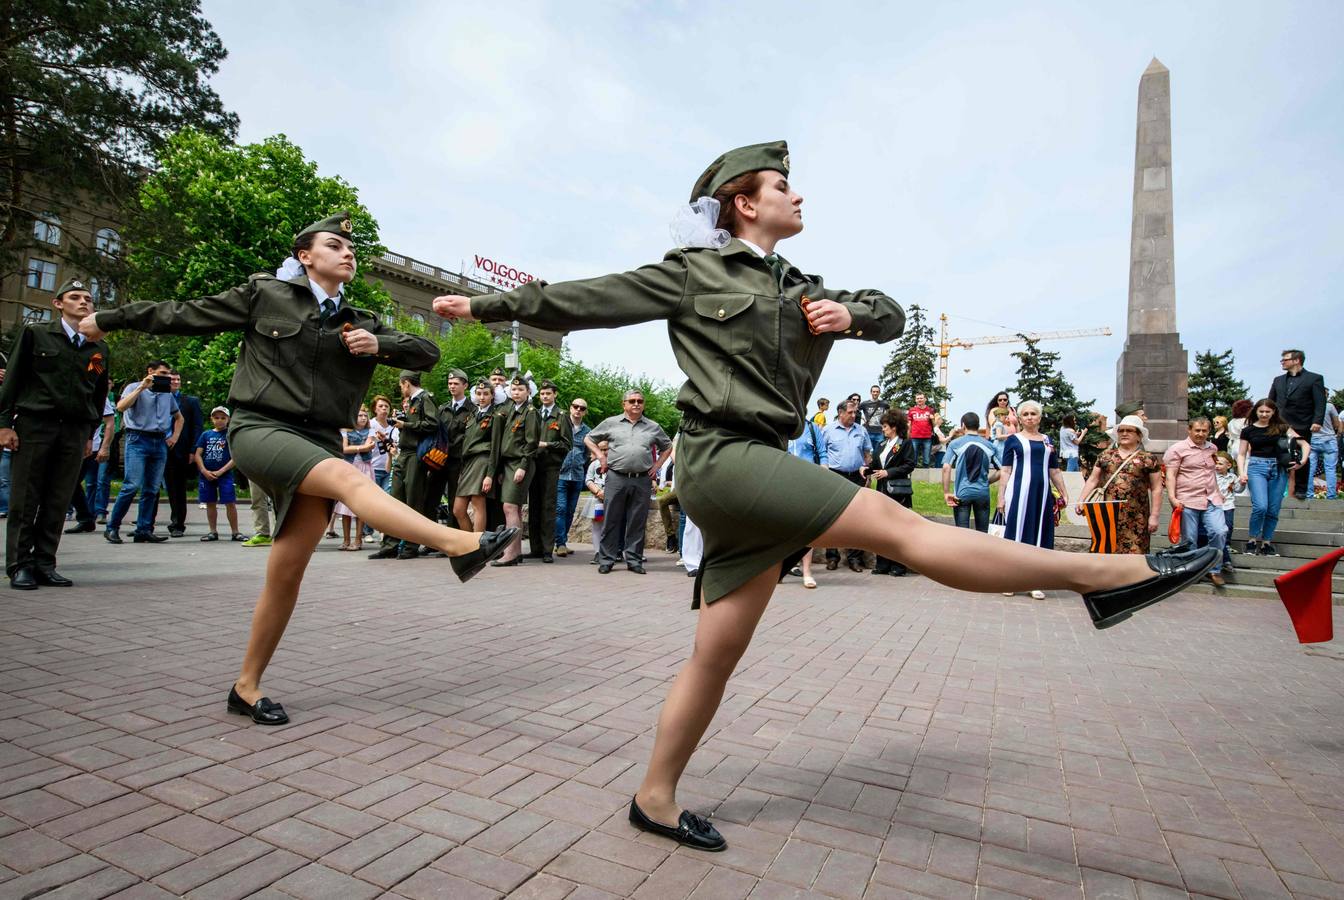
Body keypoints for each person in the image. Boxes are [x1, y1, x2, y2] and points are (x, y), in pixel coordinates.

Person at [431, 140, 1217, 851]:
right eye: (783, 187)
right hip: (721, 453)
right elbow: (585, 298)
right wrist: (485, 306)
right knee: (891, 522)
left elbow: (888, 310)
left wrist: (851, 314)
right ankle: (1121, 577)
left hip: (763, 459)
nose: (798, 198)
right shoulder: (692, 271)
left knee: (717, 653)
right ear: (744, 202)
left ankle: (654, 797)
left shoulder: (799, 283)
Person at [80, 211, 514, 725]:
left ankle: (246, 686)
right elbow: (183, 313)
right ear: (305, 255)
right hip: (260, 428)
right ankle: (457, 544)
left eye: (351, 248)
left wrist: (382, 346)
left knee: (286, 573)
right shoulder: (266, 294)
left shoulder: (360, 319)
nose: (347, 252)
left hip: (320, 437)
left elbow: (428, 350)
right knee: (347, 478)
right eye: (334, 245)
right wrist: (110, 319)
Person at [0, 278, 110, 589]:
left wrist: (90, 433)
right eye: (74, 297)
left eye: (87, 298)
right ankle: (19, 565)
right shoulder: (37, 334)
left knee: (58, 500)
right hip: (36, 425)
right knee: (26, 498)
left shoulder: (98, 346)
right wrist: (4, 424)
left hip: (74, 431)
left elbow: (98, 394)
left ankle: (45, 562)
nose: (83, 302)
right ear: (58, 304)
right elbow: (13, 380)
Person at [585, 389, 673, 575]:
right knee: (611, 519)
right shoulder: (611, 423)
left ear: (644, 404)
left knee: (637, 521)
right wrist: (601, 456)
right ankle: (606, 560)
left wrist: (657, 466)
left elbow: (667, 446)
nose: (636, 404)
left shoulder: (653, 426)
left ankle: (634, 560)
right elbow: (589, 438)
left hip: (642, 479)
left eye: (640, 401)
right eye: (632, 401)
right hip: (616, 477)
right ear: (623, 404)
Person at [104, 361, 184, 544]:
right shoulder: (133, 387)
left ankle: (144, 529)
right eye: (163, 373)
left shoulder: (167, 394)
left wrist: (175, 437)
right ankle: (112, 527)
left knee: (152, 489)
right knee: (131, 485)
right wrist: (142, 387)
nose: (167, 377)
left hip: (159, 441)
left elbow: (179, 417)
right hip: (138, 439)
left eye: (168, 374)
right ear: (150, 371)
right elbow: (121, 407)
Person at [368, 370, 442, 560]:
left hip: (416, 455)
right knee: (396, 499)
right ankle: (390, 544)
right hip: (403, 453)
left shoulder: (425, 398)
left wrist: (406, 425)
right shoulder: (413, 401)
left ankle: (411, 546)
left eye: (401, 386)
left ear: (407, 383)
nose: (401, 389)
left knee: (413, 500)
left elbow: (433, 424)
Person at [998, 400, 1068, 599]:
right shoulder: (1013, 440)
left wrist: (1063, 491)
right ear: (1020, 418)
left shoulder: (1048, 441)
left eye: (1033, 413)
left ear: (1039, 417)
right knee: (1017, 532)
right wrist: (1000, 498)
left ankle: (1035, 581)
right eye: (1025, 414)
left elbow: (1054, 470)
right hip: (1019, 492)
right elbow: (1005, 470)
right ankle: (1010, 579)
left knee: (1039, 533)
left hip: (1042, 493)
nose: (1029, 417)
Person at [1075, 416, 1163, 555]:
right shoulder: (1105, 456)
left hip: (1137, 517)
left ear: (1139, 436)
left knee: (1135, 553)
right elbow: (1093, 479)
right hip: (1108, 514)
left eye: (1129, 430)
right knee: (1105, 549)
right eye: (1121, 430)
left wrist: (1155, 515)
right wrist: (1081, 500)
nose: (1124, 433)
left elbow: (1157, 488)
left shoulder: (1148, 458)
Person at [1236, 398, 1310, 556]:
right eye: (1261, 411)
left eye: (1267, 412)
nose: (1264, 414)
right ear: (1256, 411)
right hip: (1257, 467)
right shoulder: (1248, 430)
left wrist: (1302, 462)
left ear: (1274, 412)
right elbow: (1241, 454)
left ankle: (1266, 543)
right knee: (1260, 506)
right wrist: (1242, 472)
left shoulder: (1282, 427)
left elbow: (1304, 444)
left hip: (1278, 468)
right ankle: (1252, 540)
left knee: (1273, 509)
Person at [1164, 417, 1228, 585]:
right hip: (1187, 499)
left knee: (1219, 531)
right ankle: (1191, 571)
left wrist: (1221, 490)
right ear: (1189, 430)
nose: (1200, 434)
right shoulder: (1177, 449)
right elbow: (1171, 475)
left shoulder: (1212, 448)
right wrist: (1172, 497)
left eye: (1204, 431)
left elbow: (1213, 471)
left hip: (1211, 498)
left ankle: (1214, 570)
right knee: (1189, 539)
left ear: (1208, 431)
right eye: (1197, 430)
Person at [487, 377, 540, 566]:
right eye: (514, 389)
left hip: (520, 463)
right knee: (514, 508)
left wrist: (523, 467)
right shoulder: (510, 410)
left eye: (520, 389)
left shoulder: (530, 412)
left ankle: (510, 552)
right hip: (508, 464)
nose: (516, 392)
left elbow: (531, 442)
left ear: (528, 392)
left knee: (509, 507)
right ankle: (515, 552)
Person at [1268, 349, 1326, 500]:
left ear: (1296, 360)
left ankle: (1301, 489)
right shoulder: (1278, 380)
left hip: (1303, 423)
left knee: (1301, 456)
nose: (1282, 362)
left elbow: (1320, 403)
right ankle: (1275, 487)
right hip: (1280, 423)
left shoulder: (1314, 379)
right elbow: (1270, 402)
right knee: (1277, 454)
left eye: (1285, 359)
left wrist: (1317, 421)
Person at [526, 379, 571, 562]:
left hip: (551, 466)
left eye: (548, 394)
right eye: (542, 394)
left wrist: (547, 444)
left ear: (555, 394)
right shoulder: (534, 414)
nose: (544, 396)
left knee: (548, 507)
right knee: (534, 507)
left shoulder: (561, 415)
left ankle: (546, 550)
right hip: (534, 465)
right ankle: (535, 548)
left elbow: (567, 444)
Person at [822, 400, 870, 572]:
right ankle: (832, 557)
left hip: (857, 477)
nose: (854, 415)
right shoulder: (828, 430)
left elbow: (867, 453)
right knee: (832, 517)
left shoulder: (861, 430)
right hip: (835, 475)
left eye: (855, 412)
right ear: (840, 412)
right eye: (850, 412)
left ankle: (855, 559)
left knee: (857, 518)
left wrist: (867, 469)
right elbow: (821, 453)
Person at [867, 409, 914, 575]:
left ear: (894, 427)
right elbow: (875, 465)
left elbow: (909, 465)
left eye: (885, 426)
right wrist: (865, 468)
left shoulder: (905, 443)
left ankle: (898, 565)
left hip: (897, 492)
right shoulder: (881, 445)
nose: (883, 429)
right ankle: (882, 564)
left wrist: (889, 472)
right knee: (881, 528)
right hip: (881, 491)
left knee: (897, 528)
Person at [786, 413, 827, 588]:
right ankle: (781, 568)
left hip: (807, 481)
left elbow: (822, 452)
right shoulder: (781, 426)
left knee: (807, 527)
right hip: (784, 479)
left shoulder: (812, 428)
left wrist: (824, 467)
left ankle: (807, 572)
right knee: (783, 526)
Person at [65, 394, 114, 534]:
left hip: (88, 448)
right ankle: (86, 518)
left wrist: (105, 447)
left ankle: (86, 518)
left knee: (71, 482)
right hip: (66, 445)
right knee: (70, 483)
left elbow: (109, 423)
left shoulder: (97, 395)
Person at [942, 412, 999, 533]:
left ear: (963, 425)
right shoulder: (990, 445)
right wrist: (987, 481)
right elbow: (1003, 470)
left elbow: (946, 467)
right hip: (982, 493)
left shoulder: (955, 444)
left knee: (962, 534)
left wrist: (946, 492)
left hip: (961, 494)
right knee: (983, 533)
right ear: (978, 426)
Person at [195, 405, 244, 542]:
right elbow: (198, 454)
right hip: (207, 474)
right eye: (216, 418)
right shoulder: (206, 435)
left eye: (223, 418)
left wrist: (221, 471)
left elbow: (236, 456)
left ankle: (235, 532)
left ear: (228, 419)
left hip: (225, 474)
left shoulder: (230, 435)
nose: (220, 420)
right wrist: (204, 471)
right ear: (212, 419)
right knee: (210, 502)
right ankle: (213, 531)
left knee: (230, 502)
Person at [453, 381, 497, 534]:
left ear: (492, 396)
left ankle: (478, 545)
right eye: (479, 394)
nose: (482, 397)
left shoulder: (496, 416)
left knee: (478, 504)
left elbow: (495, 447)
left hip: (482, 461)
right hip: (468, 463)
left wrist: (489, 475)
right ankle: (470, 541)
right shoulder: (472, 415)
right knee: (458, 509)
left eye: (486, 394)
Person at [163, 370, 203, 537]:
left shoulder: (190, 402)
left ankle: (178, 523)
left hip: (181, 450)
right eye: (172, 379)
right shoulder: (159, 398)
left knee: (178, 488)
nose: (176, 382)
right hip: (159, 447)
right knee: (155, 488)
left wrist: (194, 450)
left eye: (178, 379)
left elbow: (197, 427)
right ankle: (146, 524)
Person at [437, 369, 474, 529]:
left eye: (456, 384)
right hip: (439, 459)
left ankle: (452, 538)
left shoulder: (472, 409)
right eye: (450, 383)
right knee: (431, 498)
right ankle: (432, 541)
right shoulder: (442, 408)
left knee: (455, 500)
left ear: (465, 385)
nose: (452, 386)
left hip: (458, 461)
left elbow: (470, 438)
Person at [333, 408, 375, 550]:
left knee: (361, 505)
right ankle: (346, 540)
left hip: (364, 468)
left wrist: (355, 447)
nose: (363, 418)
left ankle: (358, 539)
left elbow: (369, 447)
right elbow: (344, 449)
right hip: (349, 466)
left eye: (365, 416)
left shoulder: (370, 431)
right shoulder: (346, 431)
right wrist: (361, 447)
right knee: (345, 505)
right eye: (360, 415)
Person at [553, 396, 591, 557]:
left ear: (585, 412)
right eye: (576, 406)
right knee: (560, 509)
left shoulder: (587, 431)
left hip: (577, 476)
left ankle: (562, 541)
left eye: (582, 408)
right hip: (560, 474)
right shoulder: (560, 425)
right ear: (570, 408)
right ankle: (560, 543)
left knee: (570, 511)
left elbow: (587, 453)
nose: (578, 410)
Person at [1212, 452, 1238, 570]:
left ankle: (1226, 543)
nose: (1217, 466)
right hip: (1215, 505)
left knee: (1229, 525)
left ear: (1228, 466)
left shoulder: (1232, 477)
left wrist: (1242, 483)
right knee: (1219, 529)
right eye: (1216, 463)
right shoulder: (1212, 475)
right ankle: (1224, 554)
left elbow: (1238, 489)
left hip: (1228, 505)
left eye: (1220, 464)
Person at [584, 440, 609, 564]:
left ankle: (610, 552)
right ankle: (597, 552)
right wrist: (598, 492)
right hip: (598, 499)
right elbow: (588, 480)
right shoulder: (594, 464)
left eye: (606, 449)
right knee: (597, 524)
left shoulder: (615, 463)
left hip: (612, 500)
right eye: (601, 449)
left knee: (611, 525)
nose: (604, 452)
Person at [368, 395, 399, 493]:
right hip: (373, 467)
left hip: (390, 470)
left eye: (386, 406)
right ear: (374, 409)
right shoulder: (370, 424)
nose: (384, 408)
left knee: (389, 497)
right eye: (380, 406)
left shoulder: (395, 426)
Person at [1311, 399, 1340, 499]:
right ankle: (1331, 495)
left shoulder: (1308, 405)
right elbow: (1337, 424)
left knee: (1310, 468)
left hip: (1313, 438)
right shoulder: (1330, 406)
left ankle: (1309, 494)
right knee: (1330, 469)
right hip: (1329, 439)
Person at [906, 392, 935, 467]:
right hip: (914, 437)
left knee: (926, 458)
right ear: (915, 400)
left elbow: (934, 425)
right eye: (918, 398)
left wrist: (932, 419)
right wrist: (908, 435)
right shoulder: (912, 410)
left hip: (927, 437)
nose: (919, 400)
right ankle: (913, 473)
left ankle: (925, 474)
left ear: (925, 399)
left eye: (921, 398)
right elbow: (909, 424)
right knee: (913, 457)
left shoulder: (930, 410)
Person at [858, 385, 887, 453]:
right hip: (868, 432)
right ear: (871, 392)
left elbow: (889, 413)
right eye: (874, 391)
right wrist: (862, 418)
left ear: (879, 393)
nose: (875, 393)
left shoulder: (884, 404)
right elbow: (855, 410)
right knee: (868, 452)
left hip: (880, 432)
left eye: (877, 392)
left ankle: (876, 464)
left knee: (879, 452)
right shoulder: (865, 404)